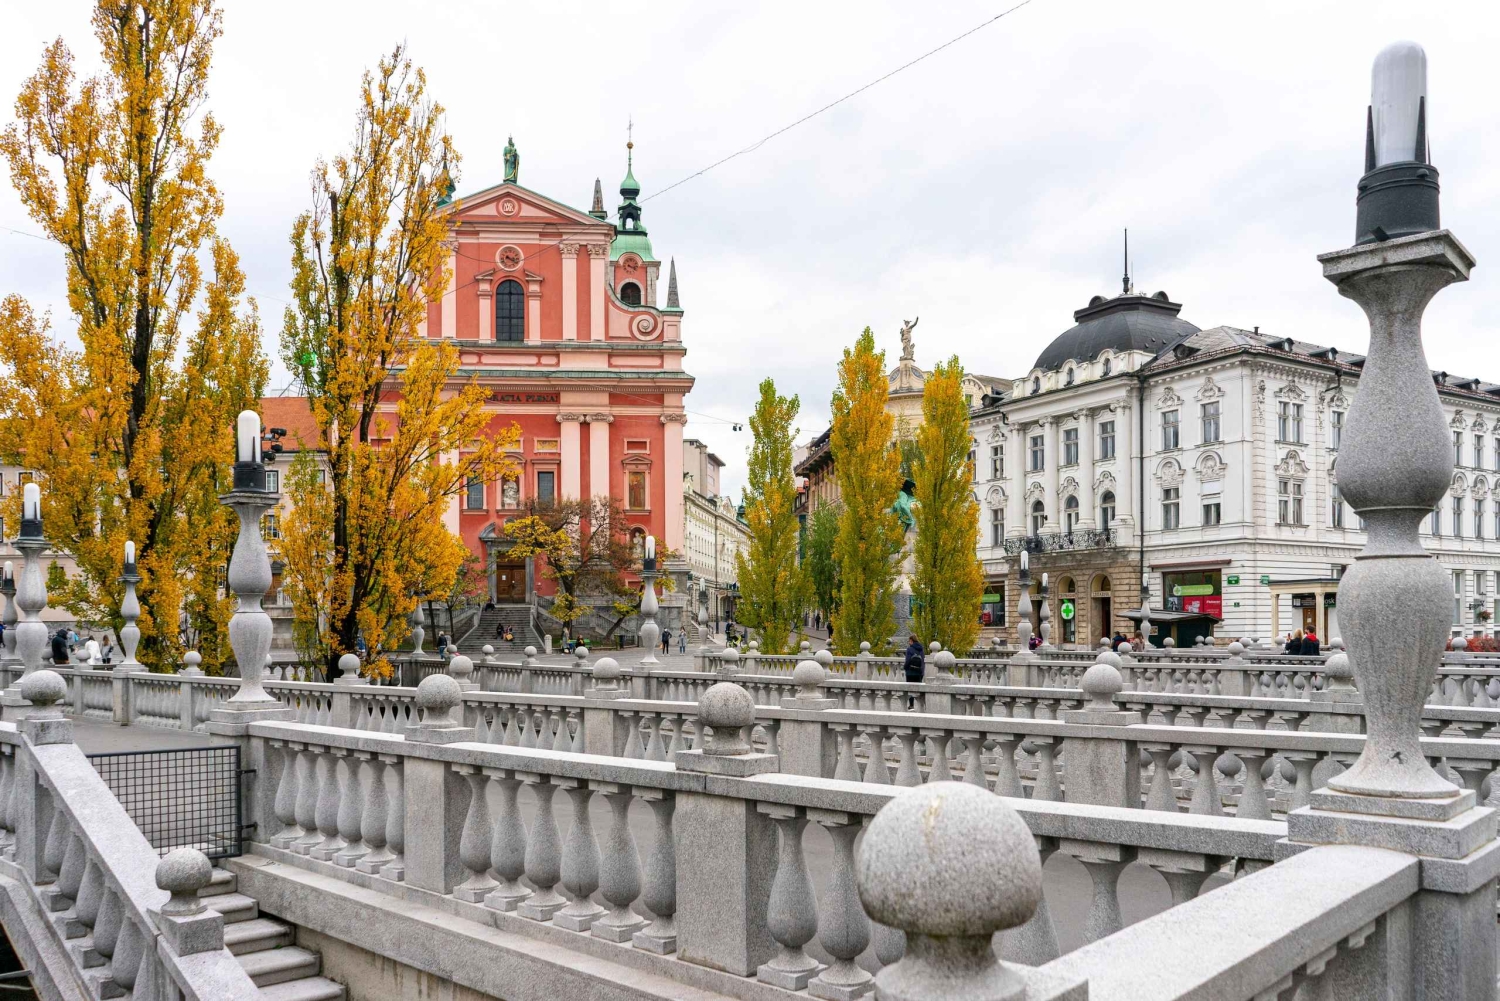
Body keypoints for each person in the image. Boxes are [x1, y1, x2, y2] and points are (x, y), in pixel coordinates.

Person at [902, 634, 925, 709]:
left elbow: (908, 660)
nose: (909, 642)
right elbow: (923, 661)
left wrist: (905, 667)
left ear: (911, 641)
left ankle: (911, 705)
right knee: (919, 689)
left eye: (909, 641)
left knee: (910, 689)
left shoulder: (909, 649)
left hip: (910, 672)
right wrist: (922, 671)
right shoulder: (921, 649)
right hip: (919, 672)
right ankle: (922, 705)